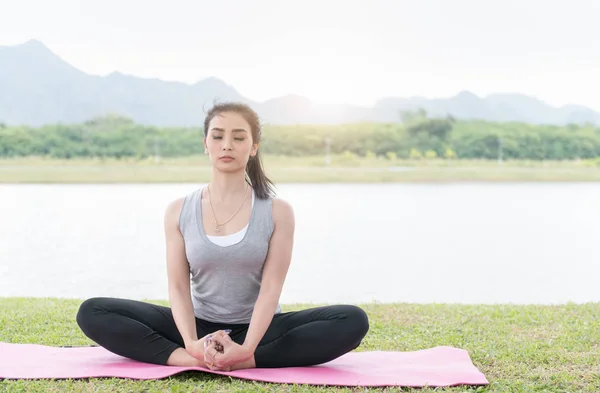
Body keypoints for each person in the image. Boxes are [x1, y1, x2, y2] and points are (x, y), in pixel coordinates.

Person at [76, 102, 370, 371]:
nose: (227, 145)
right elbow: (178, 287)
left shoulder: (278, 211)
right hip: (199, 325)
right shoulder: (179, 210)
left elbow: (270, 290)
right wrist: (191, 342)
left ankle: (245, 361)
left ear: (253, 146)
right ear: (206, 144)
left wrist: (246, 349)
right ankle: (192, 359)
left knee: (352, 320)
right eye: (217, 136)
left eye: (239, 138)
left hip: (260, 328)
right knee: (93, 311)